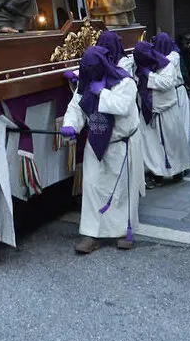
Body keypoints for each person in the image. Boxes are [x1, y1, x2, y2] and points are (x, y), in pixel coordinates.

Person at [60, 46, 141, 254]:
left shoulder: (125, 82)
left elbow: (122, 106)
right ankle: (91, 233)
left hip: (119, 144)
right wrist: (71, 125)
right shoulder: (87, 83)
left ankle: (123, 231)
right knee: (92, 186)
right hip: (95, 143)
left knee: (121, 190)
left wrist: (102, 93)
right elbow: (76, 107)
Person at [131, 41, 189, 187]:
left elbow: (168, 83)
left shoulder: (166, 64)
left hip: (167, 110)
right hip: (148, 112)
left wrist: (149, 76)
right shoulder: (137, 66)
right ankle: (156, 173)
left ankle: (177, 170)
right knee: (152, 146)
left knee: (172, 143)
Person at [151, 33, 190, 140]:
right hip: (169, 93)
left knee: (182, 123)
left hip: (178, 91)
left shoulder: (173, 56)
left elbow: (165, 62)